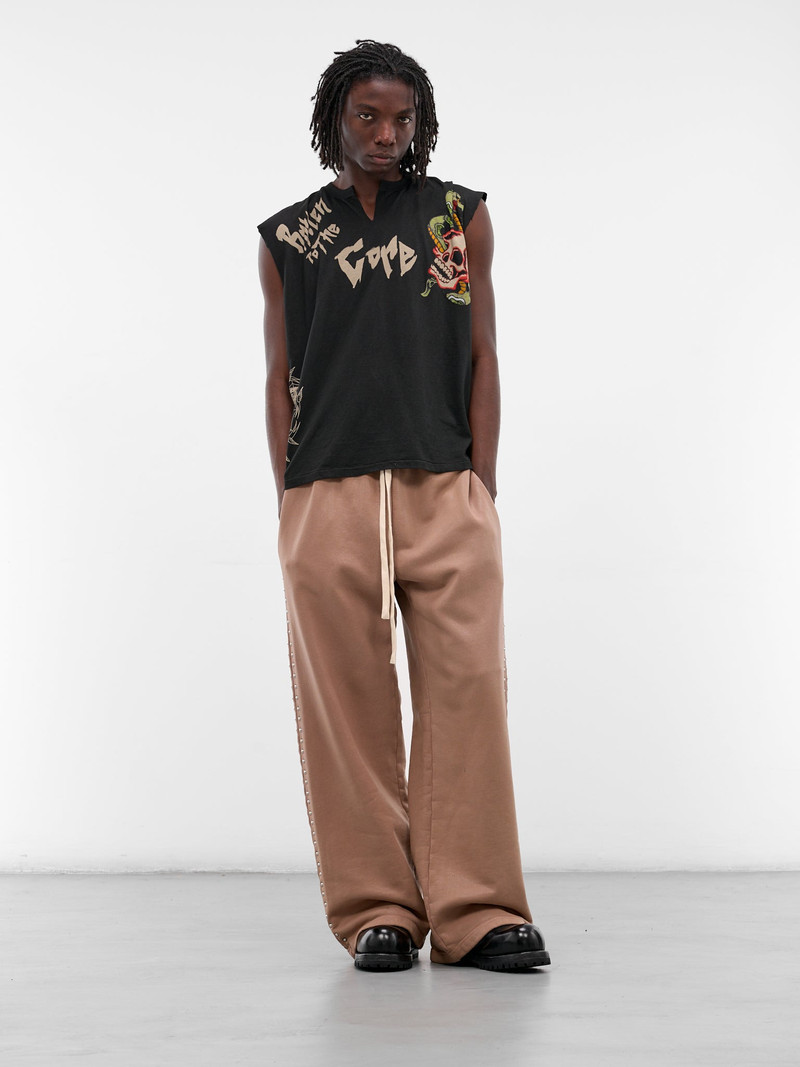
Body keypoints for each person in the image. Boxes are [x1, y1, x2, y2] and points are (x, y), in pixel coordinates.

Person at [257, 39, 551, 973]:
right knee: (345, 707)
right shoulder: (290, 236)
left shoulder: (459, 218)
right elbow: (279, 372)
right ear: (334, 120)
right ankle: (376, 908)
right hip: (327, 488)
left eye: (402, 118)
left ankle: (479, 909)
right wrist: (292, 502)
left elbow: (484, 353)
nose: (386, 134)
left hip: (442, 483)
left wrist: (481, 485)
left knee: (468, 691)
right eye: (367, 116)